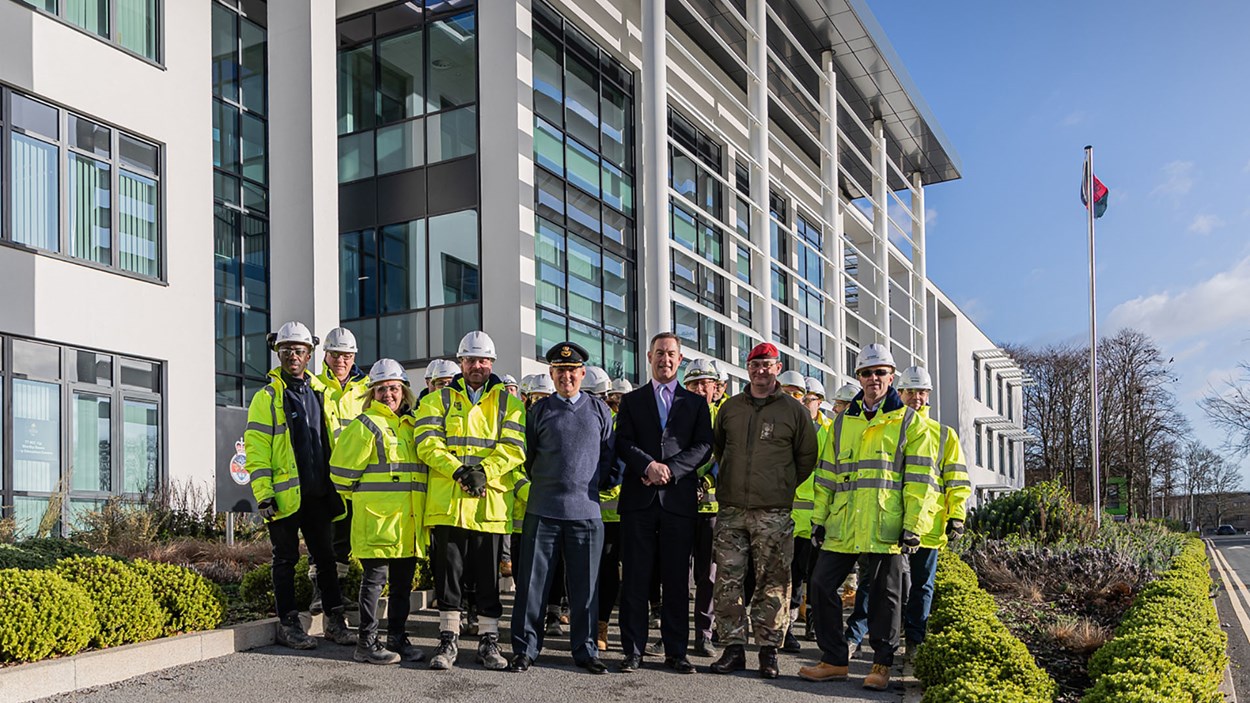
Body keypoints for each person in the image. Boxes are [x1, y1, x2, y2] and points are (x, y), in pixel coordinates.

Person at [799, 344, 939, 691]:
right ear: (858, 377)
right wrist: (819, 519)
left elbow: (920, 481)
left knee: (884, 596)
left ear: (891, 377)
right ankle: (834, 659)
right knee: (820, 585)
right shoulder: (844, 421)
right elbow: (827, 474)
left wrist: (912, 527)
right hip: (844, 522)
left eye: (880, 372)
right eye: (866, 373)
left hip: (886, 524)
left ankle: (882, 664)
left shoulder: (910, 421)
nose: (873, 378)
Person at [415, 331, 527, 671]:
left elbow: (515, 447)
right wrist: (460, 471)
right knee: (449, 577)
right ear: (460, 362)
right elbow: (426, 444)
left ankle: (489, 642)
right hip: (450, 504)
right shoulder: (437, 400)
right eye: (470, 360)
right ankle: (448, 640)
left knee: (488, 579)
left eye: (482, 360)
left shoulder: (510, 403)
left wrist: (484, 472)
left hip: (488, 505)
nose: (476, 366)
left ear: (491, 363)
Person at [709, 343, 819, 679]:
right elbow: (718, 450)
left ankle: (769, 651)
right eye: (755, 365)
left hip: (773, 510)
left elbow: (806, 458)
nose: (760, 371)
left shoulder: (793, 411)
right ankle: (733, 648)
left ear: (778, 367)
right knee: (727, 581)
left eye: (767, 365)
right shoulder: (731, 409)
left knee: (774, 583)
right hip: (731, 510)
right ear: (747, 368)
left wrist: (781, 486)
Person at [244, 321, 356, 650]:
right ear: (278, 353)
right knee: (285, 559)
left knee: (326, 559)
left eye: (300, 350)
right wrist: (263, 495)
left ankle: (335, 621)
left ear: (310, 355)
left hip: (319, 494)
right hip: (283, 497)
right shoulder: (267, 397)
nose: (293, 356)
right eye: (287, 350)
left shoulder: (319, 394)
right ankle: (289, 624)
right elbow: (256, 448)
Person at [509, 342, 618, 674]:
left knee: (585, 587)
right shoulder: (538, 412)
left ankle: (585, 651)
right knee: (532, 585)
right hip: (543, 511)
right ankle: (526, 648)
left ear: (582, 373)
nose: (566, 376)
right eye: (559, 371)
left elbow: (611, 458)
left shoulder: (600, 411)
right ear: (552, 375)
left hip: (586, 513)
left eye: (572, 371)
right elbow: (525, 459)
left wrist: (591, 489)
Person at [614, 332, 713, 674]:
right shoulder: (631, 400)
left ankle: (676, 652)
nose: (665, 359)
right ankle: (633, 650)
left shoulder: (696, 403)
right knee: (636, 580)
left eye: (671, 354)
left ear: (680, 359)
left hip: (678, 503)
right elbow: (622, 441)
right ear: (649, 357)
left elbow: (704, 447)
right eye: (659, 353)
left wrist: (669, 470)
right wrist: (647, 466)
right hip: (638, 502)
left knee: (675, 580)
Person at [329, 359, 427, 665]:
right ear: (373, 393)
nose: (389, 394)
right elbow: (340, 475)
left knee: (401, 585)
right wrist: (368, 500)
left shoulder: (412, 425)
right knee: (374, 581)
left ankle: (397, 637)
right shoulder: (365, 424)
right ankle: (366, 642)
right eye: (382, 389)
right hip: (378, 521)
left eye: (394, 388)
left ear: (404, 392)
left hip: (408, 522)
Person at [894, 366, 971, 648]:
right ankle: (893, 633)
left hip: (929, 523)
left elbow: (957, 479)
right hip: (893, 522)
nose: (916, 397)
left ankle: (915, 639)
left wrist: (957, 516)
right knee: (896, 584)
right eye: (910, 391)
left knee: (922, 585)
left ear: (928, 395)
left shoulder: (944, 434)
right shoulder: (889, 429)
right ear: (899, 393)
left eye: (921, 392)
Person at [308, 327, 370, 616]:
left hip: (355, 476)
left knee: (344, 539)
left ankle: (339, 592)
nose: (341, 361)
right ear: (326, 356)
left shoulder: (367, 389)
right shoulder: (314, 386)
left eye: (346, 355)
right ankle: (319, 593)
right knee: (322, 536)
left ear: (354, 356)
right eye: (335, 355)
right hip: (323, 474)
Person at [782, 376, 833, 652]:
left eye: (809, 398)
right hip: (790, 516)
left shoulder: (827, 431)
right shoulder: (789, 427)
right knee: (791, 576)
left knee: (815, 576)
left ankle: (811, 623)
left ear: (818, 402)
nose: (804, 403)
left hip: (816, 519)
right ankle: (787, 627)